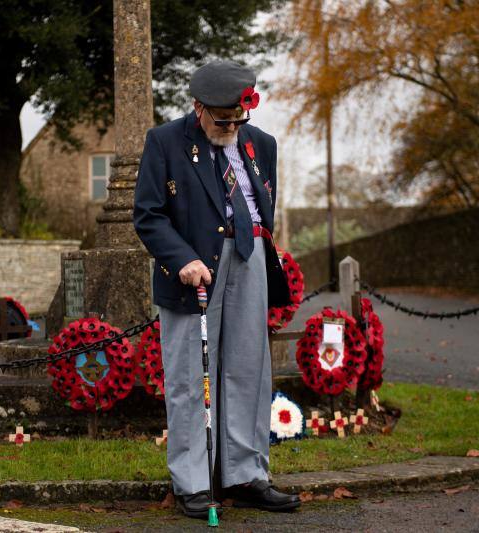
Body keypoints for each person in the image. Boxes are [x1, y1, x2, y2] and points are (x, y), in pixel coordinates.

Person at [133, 60, 301, 519]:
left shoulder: (261, 144)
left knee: (250, 368)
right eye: (221, 120)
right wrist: (182, 258)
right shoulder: (165, 142)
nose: (230, 127)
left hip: (248, 260)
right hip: (192, 268)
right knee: (189, 377)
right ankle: (192, 481)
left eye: (237, 119)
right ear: (198, 107)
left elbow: (263, 205)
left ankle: (245, 474)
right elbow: (148, 213)